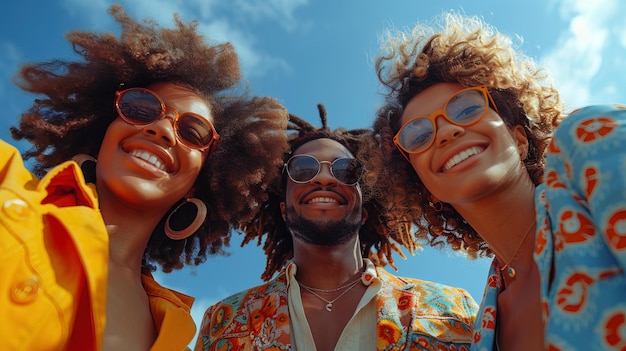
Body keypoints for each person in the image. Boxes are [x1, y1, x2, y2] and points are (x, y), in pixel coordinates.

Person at [0, 5, 288, 351]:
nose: (163, 129)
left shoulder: (176, 332)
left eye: (193, 132)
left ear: (198, 184)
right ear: (102, 133)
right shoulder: (7, 184)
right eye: (140, 109)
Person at [368, 11, 626, 351]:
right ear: (425, 188)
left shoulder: (592, 147)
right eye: (418, 135)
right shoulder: (482, 332)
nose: (446, 131)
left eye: (465, 108)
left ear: (519, 138)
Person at [194, 104, 478, 351]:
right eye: (303, 169)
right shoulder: (222, 323)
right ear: (283, 210)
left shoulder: (454, 310)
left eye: (345, 170)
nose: (325, 178)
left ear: (364, 212)